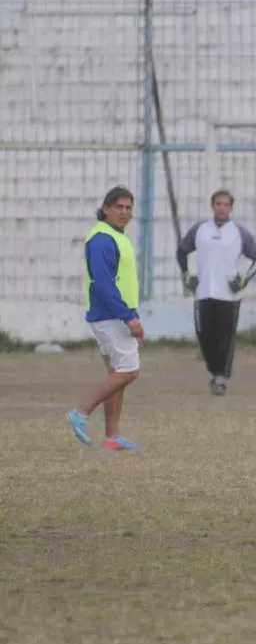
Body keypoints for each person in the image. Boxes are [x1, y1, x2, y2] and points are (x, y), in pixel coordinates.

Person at [66, 186, 144, 451]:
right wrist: (129, 318)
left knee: (117, 372)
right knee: (129, 372)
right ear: (106, 208)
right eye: (118, 207)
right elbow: (104, 283)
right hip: (112, 316)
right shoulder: (101, 239)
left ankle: (112, 435)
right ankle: (81, 412)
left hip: (115, 315)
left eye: (128, 207)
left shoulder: (116, 236)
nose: (124, 212)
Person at [176, 189, 256, 395]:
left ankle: (221, 378)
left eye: (226, 205)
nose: (222, 208)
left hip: (228, 295)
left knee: (225, 337)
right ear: (212, 206)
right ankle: (214, 369)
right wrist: (187, 274)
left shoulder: (239, 233)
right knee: (205, 337)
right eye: (218, 204)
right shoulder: (200, 230)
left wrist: (244, 278)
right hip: (204, 292)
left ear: (231, 208)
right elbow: (182, 250)